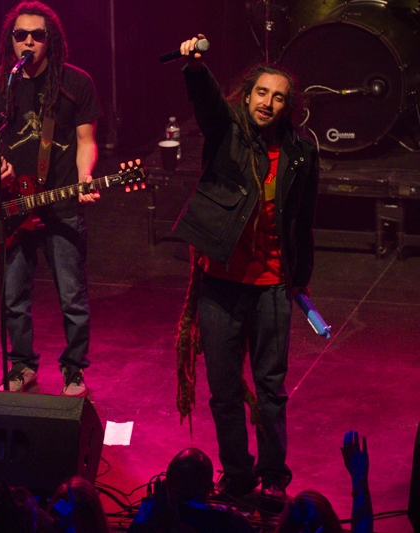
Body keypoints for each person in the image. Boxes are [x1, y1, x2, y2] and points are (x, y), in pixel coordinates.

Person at [173, 34, 319, 501]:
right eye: (261, 92)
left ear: (288, 107)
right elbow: (208, 103)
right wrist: (196, 69)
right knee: (224, 390)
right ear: (248, 94)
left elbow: (303, 220)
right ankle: (237, 475)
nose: (267, 103)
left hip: (272, 286)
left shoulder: (301, 151)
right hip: (221, 284)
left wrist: (300, 280)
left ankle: (273, 477)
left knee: (271, 390)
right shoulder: (227, 132)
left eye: (277, 97)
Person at [0, 0, 101, 397]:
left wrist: (85, 176)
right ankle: (22, 365)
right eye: (21, 35)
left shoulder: (75, 83)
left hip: (60, 203)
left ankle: (74, 370)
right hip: (12, 205)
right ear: (10, 40)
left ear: (50, 40)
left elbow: (86, 140)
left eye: (37, 35)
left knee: (72, 297)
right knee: (14, 296)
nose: (28, 42)